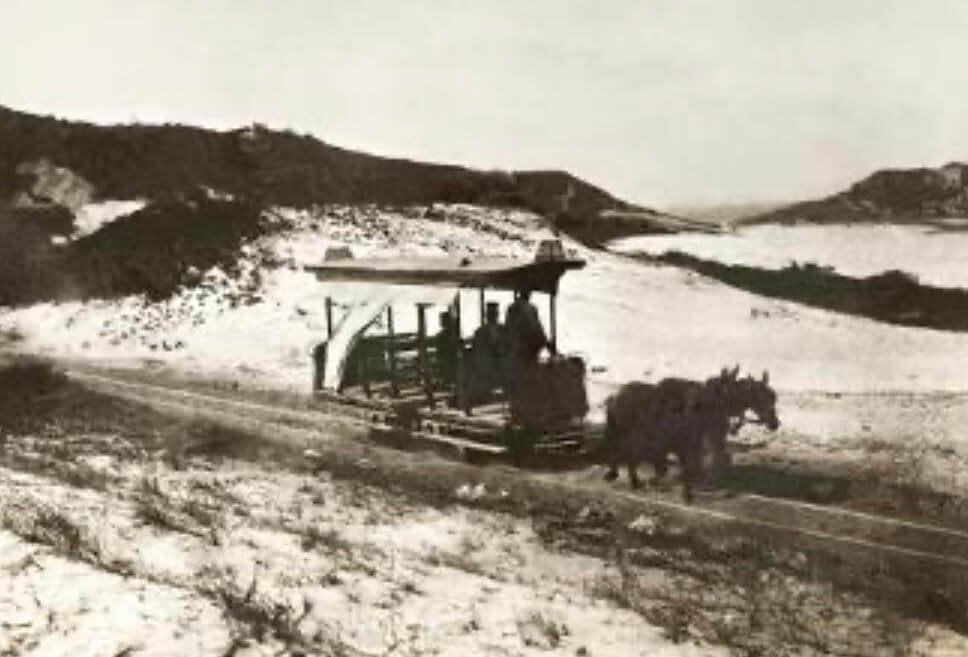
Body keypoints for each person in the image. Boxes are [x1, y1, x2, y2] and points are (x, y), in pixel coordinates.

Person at [470, 302, 510, 398]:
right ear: (486, 315)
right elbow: (477, 350)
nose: (493, 316)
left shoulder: (503, 329)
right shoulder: (480, 332)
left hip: (502, 361)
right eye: (491, 314)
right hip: (488, 364)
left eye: (495, 313)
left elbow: (508, 345)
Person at [505, 289, 554, 364]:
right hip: (526, 349)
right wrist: (546, 343)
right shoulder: (529, 308)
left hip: (513, 349)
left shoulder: (512, 308)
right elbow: (535, 328)